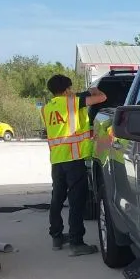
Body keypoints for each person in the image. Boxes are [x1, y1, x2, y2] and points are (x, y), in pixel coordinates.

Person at [43, 75, 106, 255]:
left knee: (57, 198)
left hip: (57, 160)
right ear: (66, 90)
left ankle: (56, 236)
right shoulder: (73, 102)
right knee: (77, 201)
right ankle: (76, 242)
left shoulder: (47, 108)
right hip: (74, 158)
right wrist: (94, 90)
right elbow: (102, 98)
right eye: (70, 89)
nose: (72, 91)